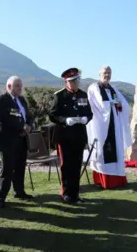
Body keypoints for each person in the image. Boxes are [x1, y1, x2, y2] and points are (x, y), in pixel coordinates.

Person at [49, 68, 93, 204]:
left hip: (79, 136)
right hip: (65, 137)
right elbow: (53, 115)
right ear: (66, 82)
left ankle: (75, 194)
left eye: (77, 80)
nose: (76, 83)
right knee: (66, 166)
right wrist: (65, 120)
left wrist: (86, 118)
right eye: (73, 81)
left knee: (76, 166)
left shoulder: (83, 95)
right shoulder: (60, 96)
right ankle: (66, 193)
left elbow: (89, 113)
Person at [86, 66, 132, 188]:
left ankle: (117, 180)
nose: (107, 75)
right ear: (99, 74)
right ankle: (102, 181)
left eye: (109, 73)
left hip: (114, 124)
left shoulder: (113, 89)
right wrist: (111, 104)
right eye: (105, 73)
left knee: (116, 150)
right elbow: (99, 105)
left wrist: (120, 104)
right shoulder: (94, 88)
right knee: (101, 151)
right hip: (101, 125)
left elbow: (124, 105)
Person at [0, 76, 34, 208]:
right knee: (7, 169)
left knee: (20, 167)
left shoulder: (21, 100)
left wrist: (29, 126)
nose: (20, 88)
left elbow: (28, 116)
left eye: (21, 86)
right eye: (17, 86)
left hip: (21, 139)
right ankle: (0, 197)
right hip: (7, 140)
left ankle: (19, 192)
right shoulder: (2, 100)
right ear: (9, 87)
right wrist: (21, 127)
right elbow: (4, 118)